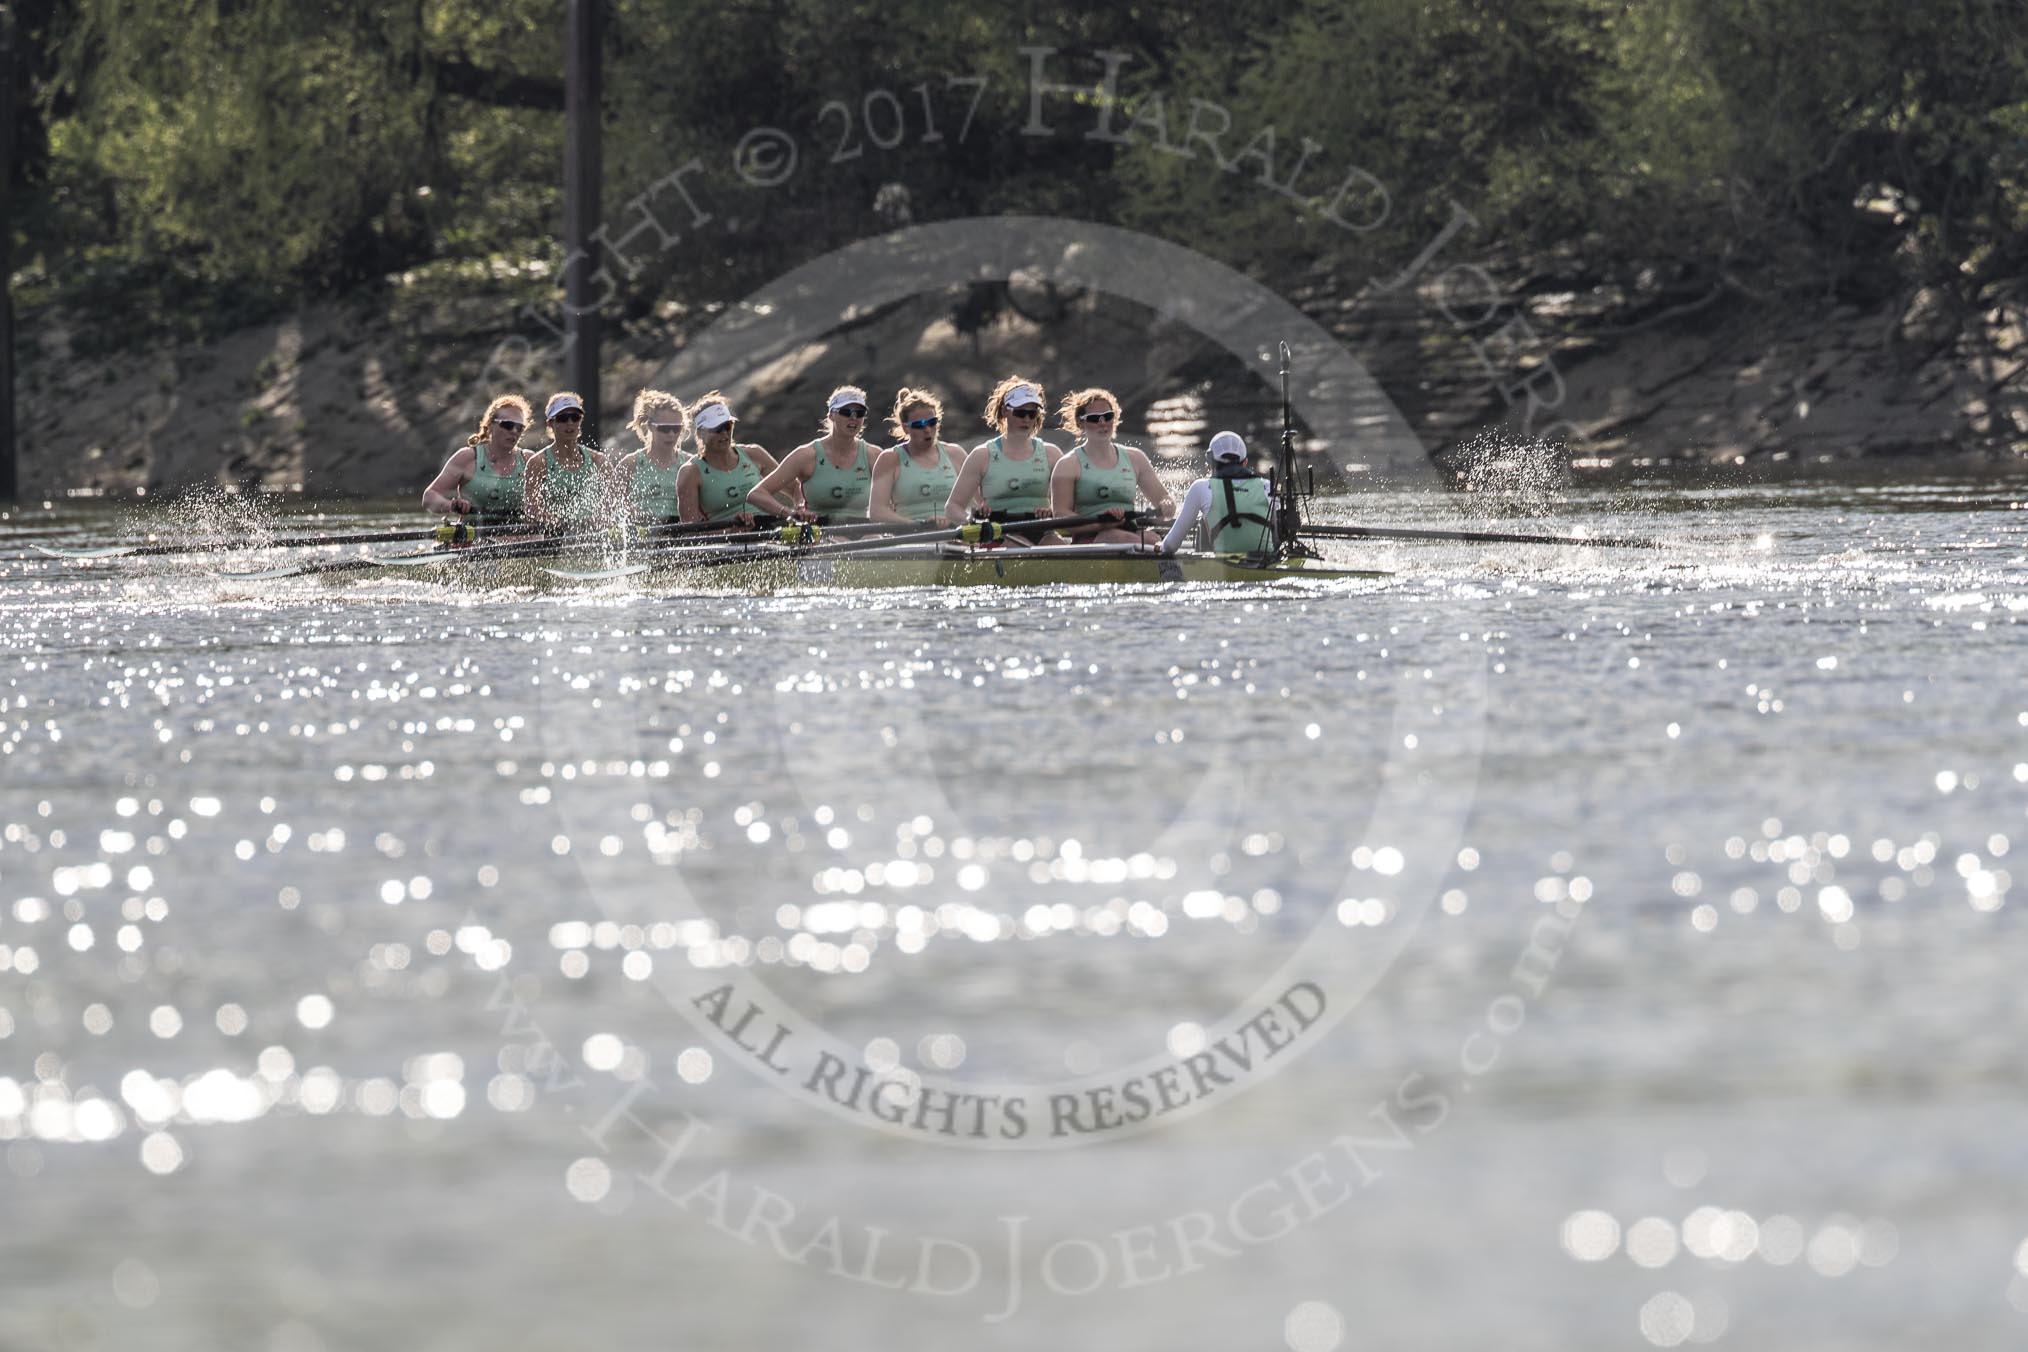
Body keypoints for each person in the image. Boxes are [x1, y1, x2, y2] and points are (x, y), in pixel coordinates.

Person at [943, 376, 1063, 546]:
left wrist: (1052, 511)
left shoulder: (1051, 454)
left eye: (1032, 413)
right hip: (999, 531)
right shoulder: (982, 455)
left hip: (1042, 528)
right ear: (1005, 411)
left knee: (1057, 547)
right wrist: (974, 522)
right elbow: (952, 507)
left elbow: (1070, 504)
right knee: (1019, 546)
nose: (1027, 419)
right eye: (1020, 413)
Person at [1047, 387, 1174, 545]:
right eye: (1094, 418)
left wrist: (1167, 505)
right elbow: (1060, 516)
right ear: (1081, 423)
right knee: (1119, 537)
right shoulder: (1067, 465)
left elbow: (1163, 499)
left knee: (1152, 538)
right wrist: (1101, 524)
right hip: (1090, 539)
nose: (1103, 423)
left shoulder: (1136, 458)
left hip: (1129, 533)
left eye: (1108, 416)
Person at [747, 386, 878, 521]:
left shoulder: (874, 455)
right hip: (821, 532)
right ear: (831, 415)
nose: (853, 418)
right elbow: (756, 494)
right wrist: (789, 514)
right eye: (846, 412)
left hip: (865, 531)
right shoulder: (806, 456)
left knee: (872, 538)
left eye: (860, 413)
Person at [1151, 431, 1276, 557]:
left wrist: (1162, 546)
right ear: (1244, 463)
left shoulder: (1201, 488)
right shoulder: (1267, 486)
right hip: (1265, 563)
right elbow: (1279, 536)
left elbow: (1171, 546)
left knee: (1203, 521)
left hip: (1221, 568)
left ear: (1211, 462)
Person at [676, 392, 784, 527]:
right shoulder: (690, 472)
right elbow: (689, 532)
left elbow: (795, 487)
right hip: (727, 542)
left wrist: (801, 507)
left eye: (727, 426)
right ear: (700, 433)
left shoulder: (754, 454)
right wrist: (730, 530)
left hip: (770, 529)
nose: (724, 433)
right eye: (717, 429)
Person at [421, 395, 530, 525]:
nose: (513, 431)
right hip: (473, 536)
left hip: (520, 537)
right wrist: (451, 505)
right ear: (490, 425)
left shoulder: (530, 461)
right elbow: (429, 497)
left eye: (519, 427)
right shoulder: (467, 458)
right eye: (507, 425)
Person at [870, 388, 969, 525]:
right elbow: (877, 512)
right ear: (906, 428)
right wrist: (919, 525)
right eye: (919, 425)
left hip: (955, 536)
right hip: (911, 537)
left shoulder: (956, 454)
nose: (927, 429)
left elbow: (978, 503)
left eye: (932, 422)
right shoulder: (889, 459)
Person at [523, 391, 610, 530]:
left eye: (575, 417)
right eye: (563, 418)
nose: (569, 423)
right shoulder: (538, 462)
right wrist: (562, 525)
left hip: (591, 535)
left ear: (580, 420)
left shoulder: (598, 460)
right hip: (553, 536)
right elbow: (531, 508)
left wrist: (598, 518)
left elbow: (611, 501)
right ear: (550, 424)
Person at [618, 389, 688, 524]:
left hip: (679, 534)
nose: (671, 435)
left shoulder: (688, 464)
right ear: (650, 426)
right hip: (641, 535)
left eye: (677, 428)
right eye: (665, 429)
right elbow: (611, 505)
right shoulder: (630, 464)